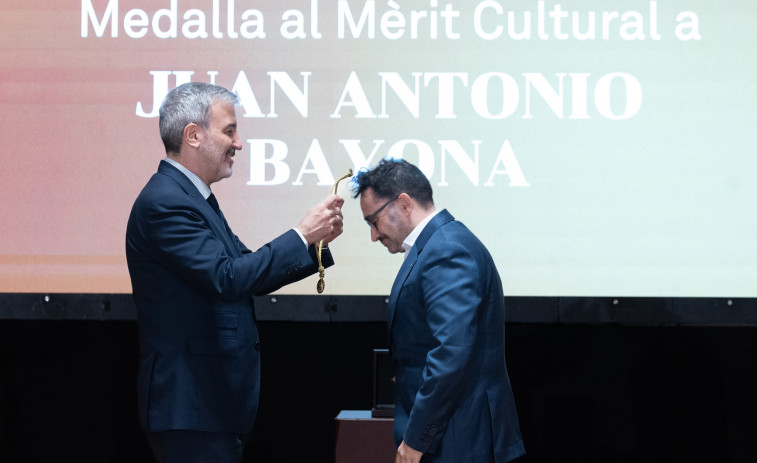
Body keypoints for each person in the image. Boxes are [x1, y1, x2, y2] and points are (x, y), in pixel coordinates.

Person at [125, 82, 344, 463]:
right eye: (229, 130)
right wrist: (301, 233)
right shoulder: (167, 202)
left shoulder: (192, 198)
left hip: (208, 405)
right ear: (193, 135)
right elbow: (229, 279)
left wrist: (314, 243)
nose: (239, 143)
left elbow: (246, 268)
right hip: (190, 405)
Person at [352, 159, 525, 463]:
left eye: (373, 221)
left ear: (404, 203)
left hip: (459, 440)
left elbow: (451, 354)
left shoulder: (446, 250)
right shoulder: (438, 245)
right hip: (456, 436)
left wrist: (417, 438)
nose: (374, 236)